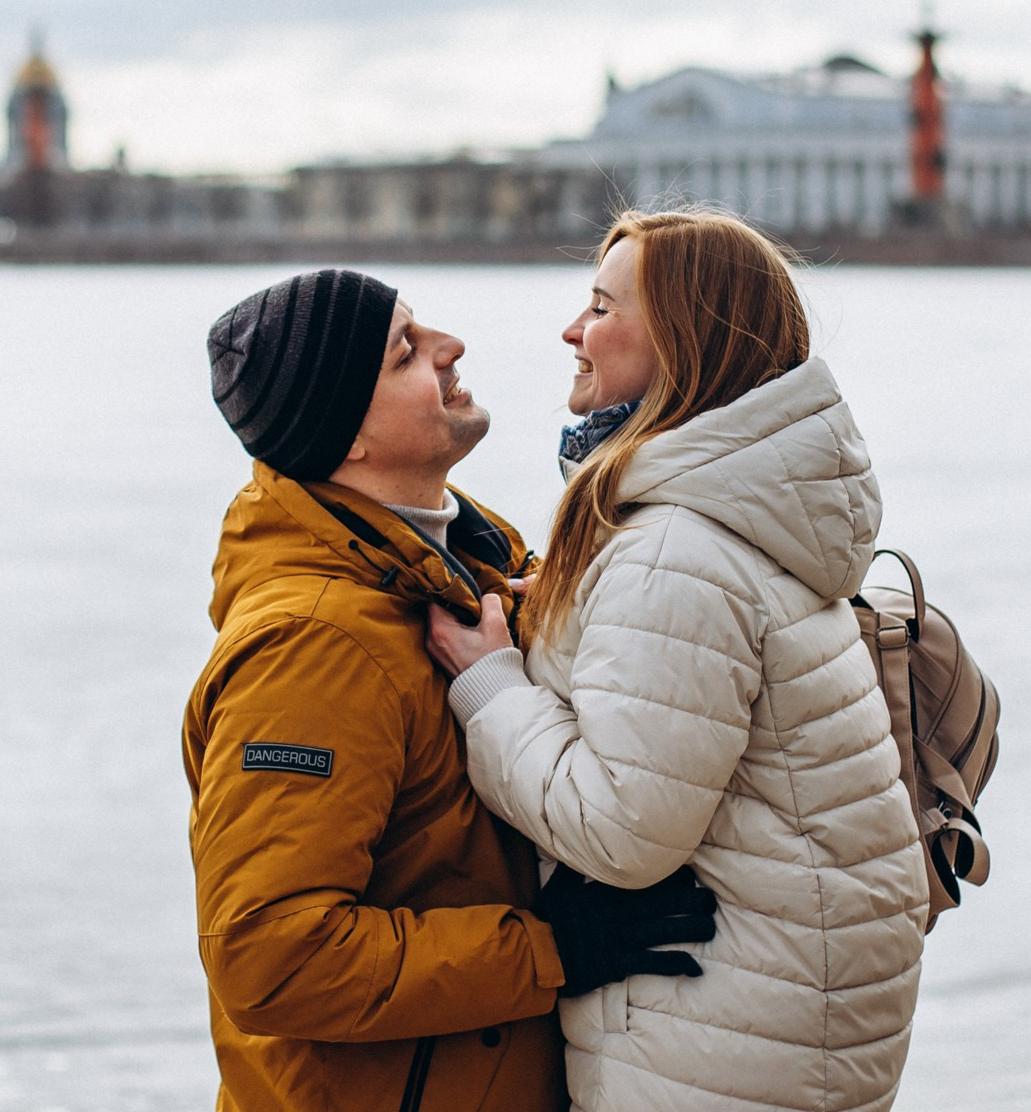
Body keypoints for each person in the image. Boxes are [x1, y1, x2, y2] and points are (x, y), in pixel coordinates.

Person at [427, 214, 931, 1112]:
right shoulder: (742, 512)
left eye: (600, 306)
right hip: (776, 1010)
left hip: (714, 1038)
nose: (572, 332)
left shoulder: (674, 551)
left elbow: (623, 829)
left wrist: (491, 687)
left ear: (683, 341)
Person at [187, 268, 718, 1112]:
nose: (449, 347)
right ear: (347, 437)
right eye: (405, 352)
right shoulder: (314, 648)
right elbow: (271, 955)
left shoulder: (470, 569)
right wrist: (550, 951)